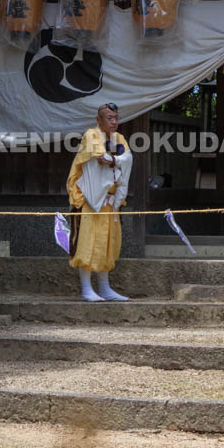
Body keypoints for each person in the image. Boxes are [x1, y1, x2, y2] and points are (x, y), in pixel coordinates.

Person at [66, 102, 133, 301]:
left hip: (110, 201)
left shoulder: (120, 138)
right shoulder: (90, 135)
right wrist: (117, 159)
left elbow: (128, 158)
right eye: (109, 118)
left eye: (116, 118)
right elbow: (101, 157)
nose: (114, 122)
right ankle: (87, 288)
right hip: (90, 199)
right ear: (99, 120)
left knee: (107, 242)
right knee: (87, 242)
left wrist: (116, 160)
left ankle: (104, 287)